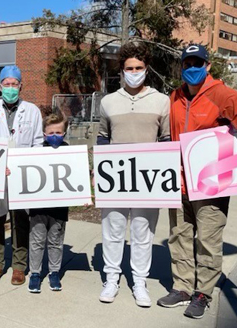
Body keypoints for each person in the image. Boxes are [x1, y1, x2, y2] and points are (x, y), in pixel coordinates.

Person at [157, 44, 237, 319]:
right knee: (180, 237)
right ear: (182, 67)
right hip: (179, 183)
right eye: (188, 64)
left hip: (211, 185)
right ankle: (183, 287)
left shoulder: (224, 95)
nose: (192, 68)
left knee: (208, 240)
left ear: (208, 66)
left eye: (198, 63)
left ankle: (203, 293)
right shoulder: (174, 96)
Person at [96, 41, 170, 307]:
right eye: (129, 68)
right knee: (112, 231)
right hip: (115, 178)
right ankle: (111, 279)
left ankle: (140, 282)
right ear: (122, 70)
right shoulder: (108, 102)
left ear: (146, 68)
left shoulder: (162, 101)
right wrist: (98, 174)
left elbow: (166, 140)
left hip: (148, 180)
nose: (134, 71)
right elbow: (103, 138)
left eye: (139, 67)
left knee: (143, 233)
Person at [0, 65, 43, 285]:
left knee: (20, 220)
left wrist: (25, 165)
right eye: (7, 84)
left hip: (21, 174)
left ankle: (19, 266)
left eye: (14, 84)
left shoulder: (31, 110)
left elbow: (38, 142)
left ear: (21, 86)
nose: (10, 88)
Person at [27, 113, 69, 293]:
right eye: (50, 132)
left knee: (55, 241)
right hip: (38, 207)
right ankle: (35, 274)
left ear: (64, 133)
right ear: (44, 134)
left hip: (59, 207)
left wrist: (82, 196)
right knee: (36, 241)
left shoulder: (70, 152)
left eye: (58, 132)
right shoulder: (35, 152)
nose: (54, 136)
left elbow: (77, 177)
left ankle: (54, 272)